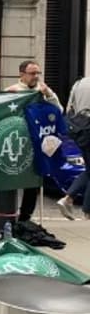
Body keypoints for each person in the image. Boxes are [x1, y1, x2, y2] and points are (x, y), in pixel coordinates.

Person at [5, 60, 62, 223]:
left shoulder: (43, 92)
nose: (36, 77)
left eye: (38, 73)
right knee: (11, 179)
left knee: (33, 184)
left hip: (37, 144)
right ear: (22, 74)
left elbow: (59, 111)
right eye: (32, 73)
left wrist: (49, 96)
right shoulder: (12, 91)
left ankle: (25, 219)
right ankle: (7, 217)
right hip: (16, 143)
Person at [57, 76, 90, 220]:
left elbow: (69, 107)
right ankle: (81, 208)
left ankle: (71, 200)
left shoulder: (80, 83)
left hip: (79, 130)